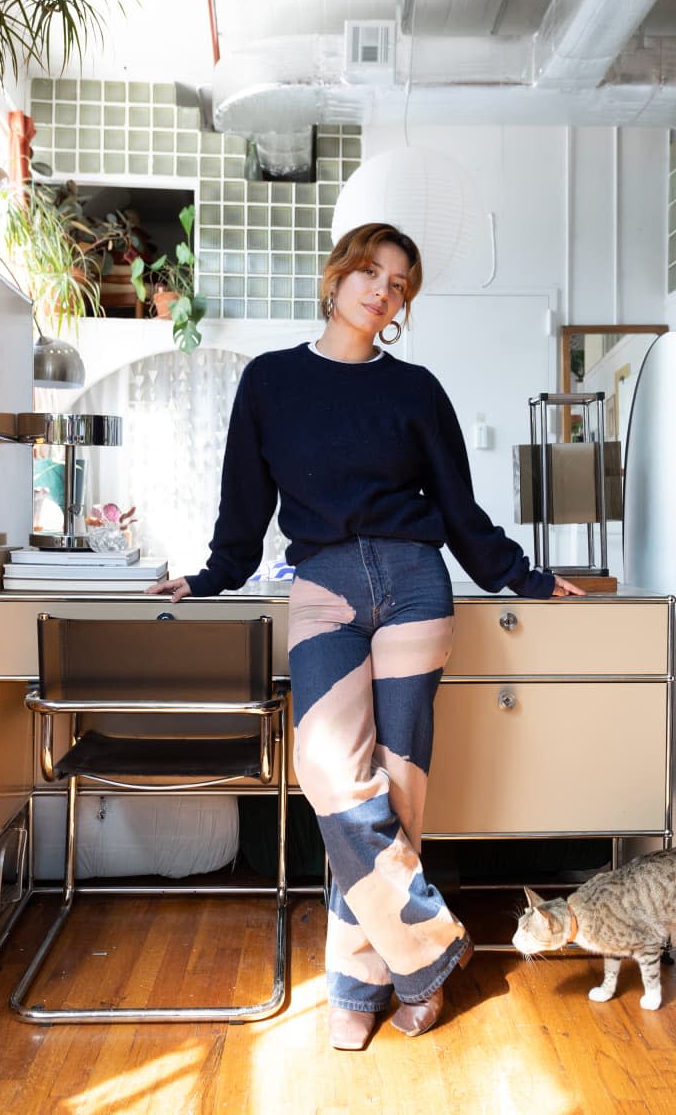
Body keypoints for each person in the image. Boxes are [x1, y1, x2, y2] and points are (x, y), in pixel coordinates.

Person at [149, 221, 585, 1050]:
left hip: (417, 583)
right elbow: (244, 509)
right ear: (338, 274)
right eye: (370, 271)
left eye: (399, 284)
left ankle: (356, 982)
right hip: (321, 588)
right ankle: (428, 951)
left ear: (401, 306)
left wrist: (522, 575)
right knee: (333, 777)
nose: (381, 290)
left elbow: (460, 511)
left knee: (398, 791)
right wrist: (211, 575)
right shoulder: (271, 382)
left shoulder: (416, 391)